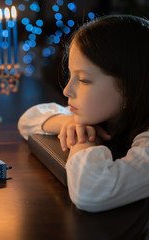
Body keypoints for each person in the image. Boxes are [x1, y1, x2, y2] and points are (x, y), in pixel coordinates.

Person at [18, 15, 149, 212]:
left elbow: (91, 192)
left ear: (130, 88)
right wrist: (70, 123)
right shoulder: (108, 116)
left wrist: (82, 140)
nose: (67, 90)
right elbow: (28, 119)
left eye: (84, 80)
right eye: (71, 75)